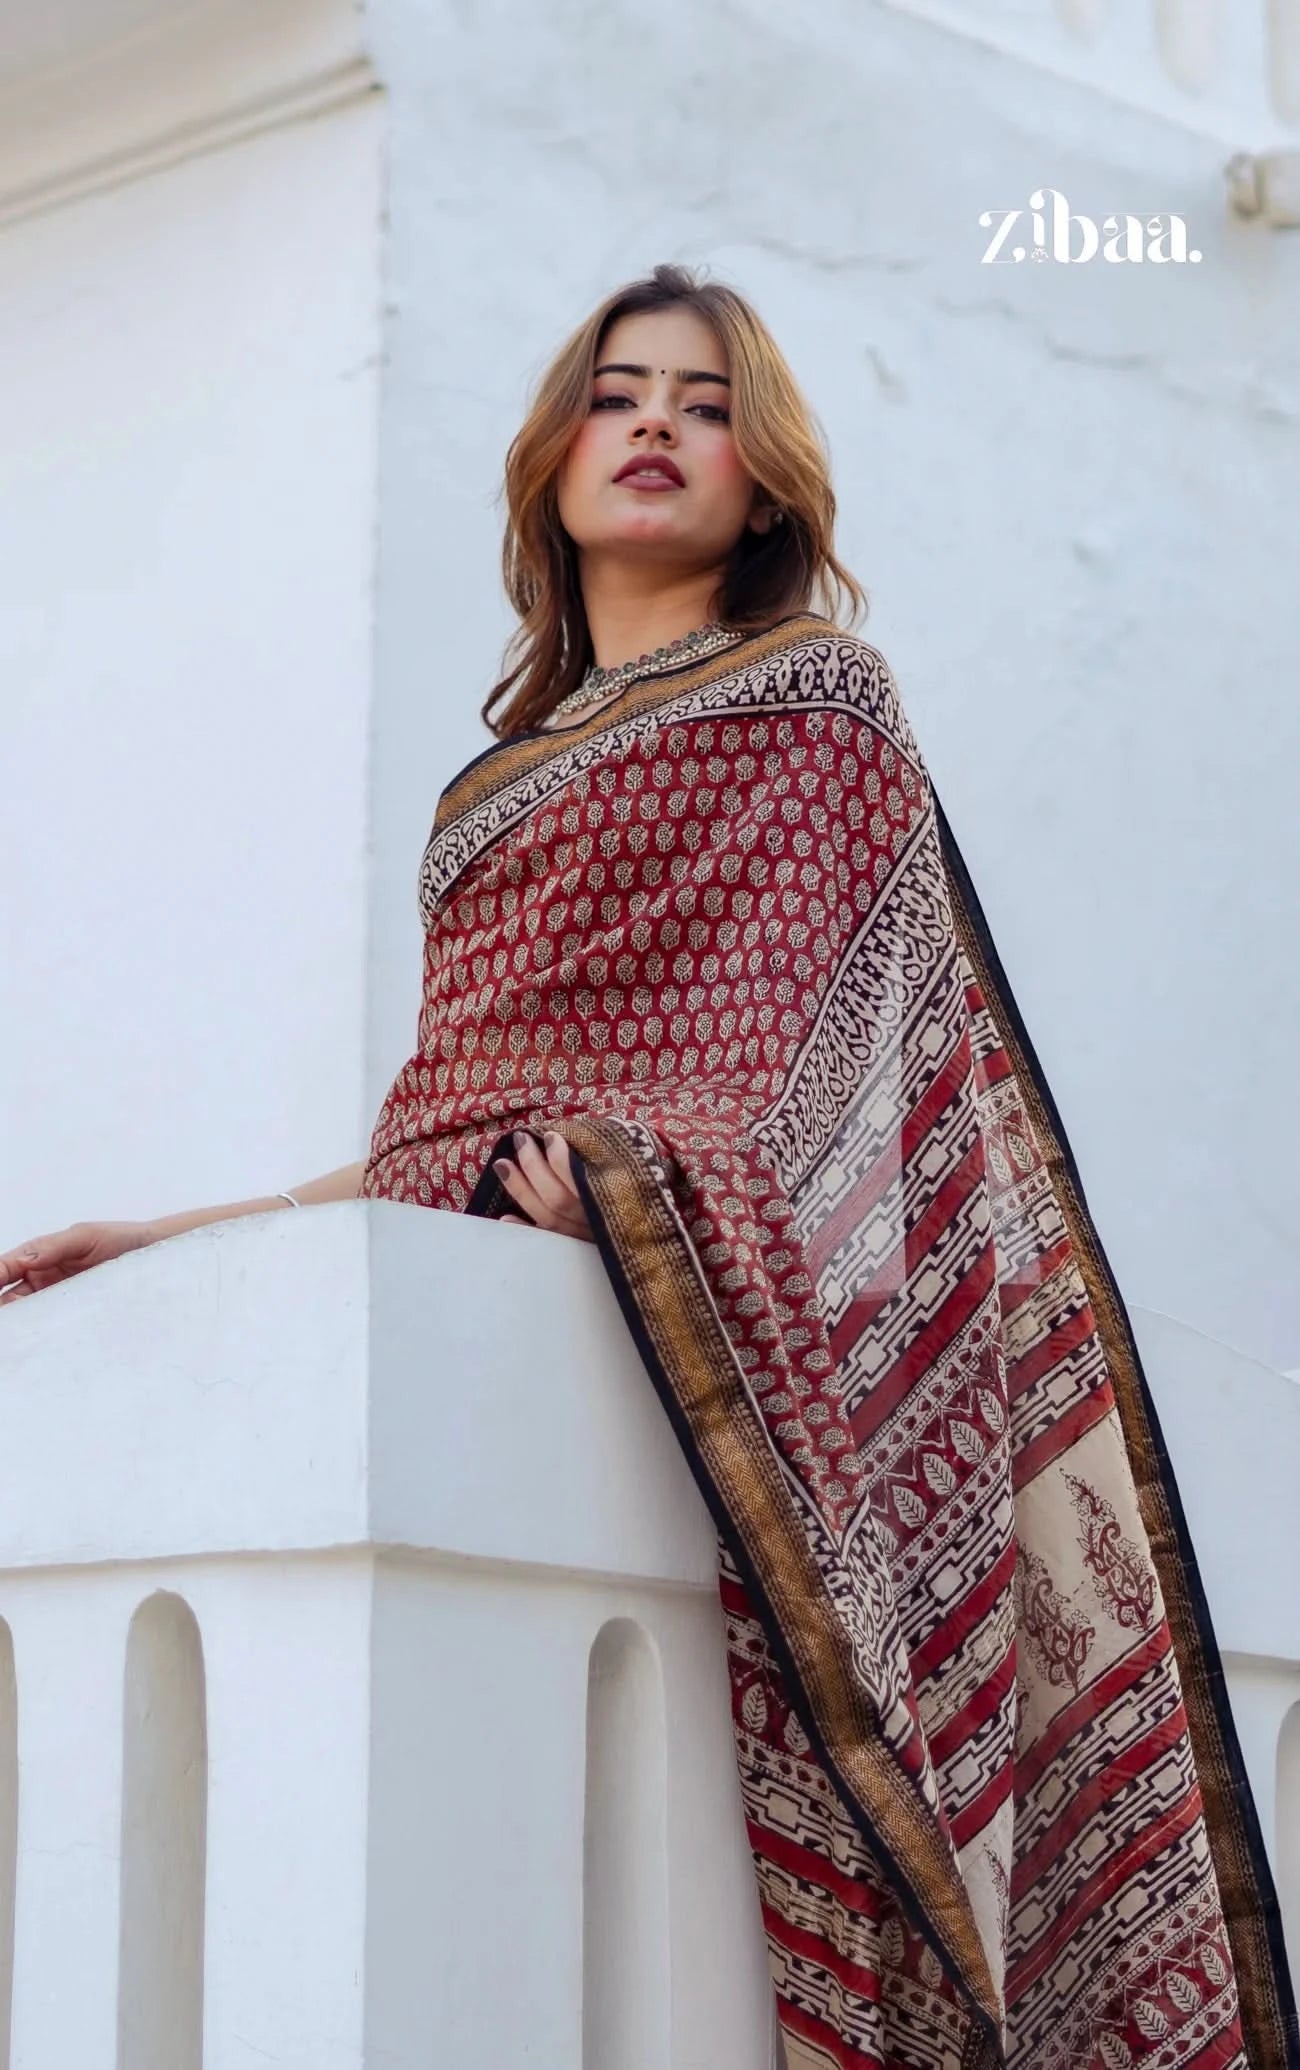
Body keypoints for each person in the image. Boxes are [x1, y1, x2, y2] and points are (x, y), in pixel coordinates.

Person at [2, 264, 1295, 2070]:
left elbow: (848, 1088)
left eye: (705, 405)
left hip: (802, 1353)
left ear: (763, 485)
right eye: (617, 396)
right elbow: (438, 1135)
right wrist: (175, 1234)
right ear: (554, 456)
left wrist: (636, 1191)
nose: (657, 429)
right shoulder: (485, 802)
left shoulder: (821, 707)